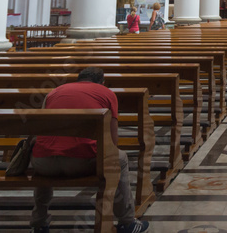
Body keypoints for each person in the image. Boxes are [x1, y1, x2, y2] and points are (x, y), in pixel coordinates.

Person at [31, 67, 149, 233]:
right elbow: (113, 141)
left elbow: (41, 129)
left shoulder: (54, 92)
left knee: (46, 149)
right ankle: (126, 221)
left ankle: (39, 224)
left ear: (79, 79)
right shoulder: (106, 93)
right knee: (119, 158)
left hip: (43, 164)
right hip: (80, 162)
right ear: (102, 82)